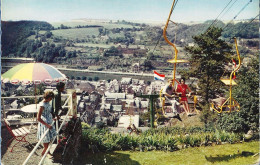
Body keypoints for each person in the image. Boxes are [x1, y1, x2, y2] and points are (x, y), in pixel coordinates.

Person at [37, 91, 56, 156]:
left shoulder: (48, 102)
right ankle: (44, 153)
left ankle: (47, 151)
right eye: (50, 98)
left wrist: (52, 118)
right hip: (45, 123)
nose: (51, 100)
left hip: (49, 121)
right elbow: (38, 118)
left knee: (51, 138)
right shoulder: (42, 105)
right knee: (46, 139)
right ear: (47, 97)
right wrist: (47, 125)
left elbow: (48, 112)